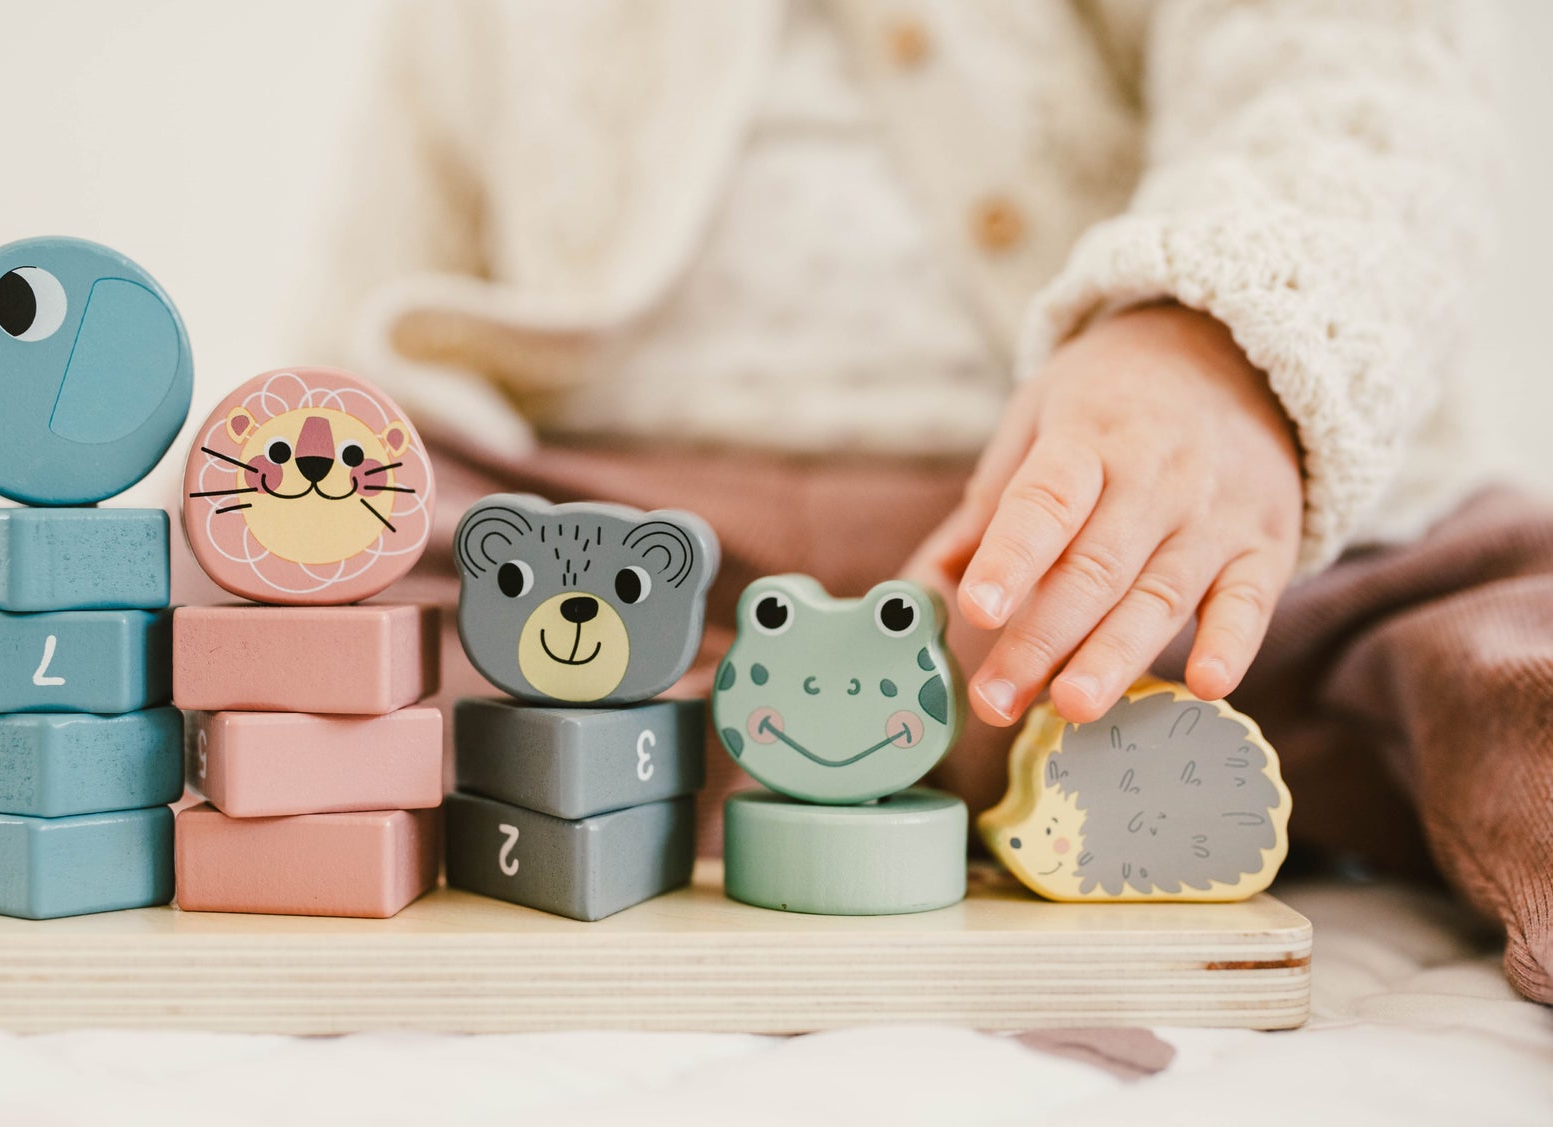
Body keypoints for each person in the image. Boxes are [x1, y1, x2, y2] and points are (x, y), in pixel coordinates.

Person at [299, 0, 1552, 1002]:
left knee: (1495, 628)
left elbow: (1357, 78)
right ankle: (880, 763)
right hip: (617, 528)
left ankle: (819, 754)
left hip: (1143, 501)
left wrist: (1210, 343)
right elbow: (389, 250)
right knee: (315, 617)